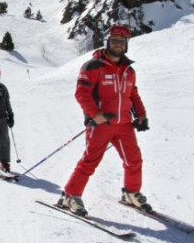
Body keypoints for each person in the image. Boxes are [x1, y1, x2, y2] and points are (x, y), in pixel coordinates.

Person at [58, 24, 150, 216]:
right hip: (101, 124)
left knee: (134, 160)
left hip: (124, 124)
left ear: (126, 45)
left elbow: (133, 94)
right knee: (90, 161)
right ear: (108, 42)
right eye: (115, 41)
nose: (118, 45)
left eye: (121, 42)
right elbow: (81, 93)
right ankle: (70, 195)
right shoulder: (93, 66)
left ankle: (131, 193)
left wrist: (141, 115)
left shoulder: (128, 70)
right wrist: (95, 115)